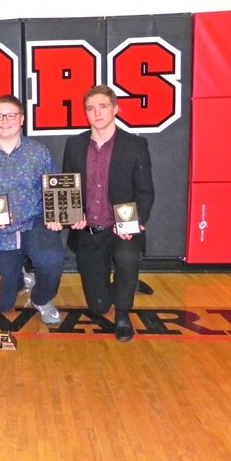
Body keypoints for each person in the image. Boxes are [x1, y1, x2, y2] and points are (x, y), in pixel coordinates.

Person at [63, 85, 155, 342]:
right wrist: (73, 214)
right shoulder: (74, 145)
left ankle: (123, 312)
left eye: (103, 107)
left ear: (115, 109)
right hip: (90, 232)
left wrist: (136, 222)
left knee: (126, 259)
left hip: (121, 230)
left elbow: (145, 191)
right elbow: (68, 186)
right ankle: (122, 287)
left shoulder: (135, 145)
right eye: (91, 108)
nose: (97, 113)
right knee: (98, 307)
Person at [0, 94, 66, 325]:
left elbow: (53, 188)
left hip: (35, 222)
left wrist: (56, 215)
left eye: (11, 115)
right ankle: (19, 277)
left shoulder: (39, 152)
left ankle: (42, 298)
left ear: (21, 119)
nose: (5, 120)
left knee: (52, 260)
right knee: (2, 305)